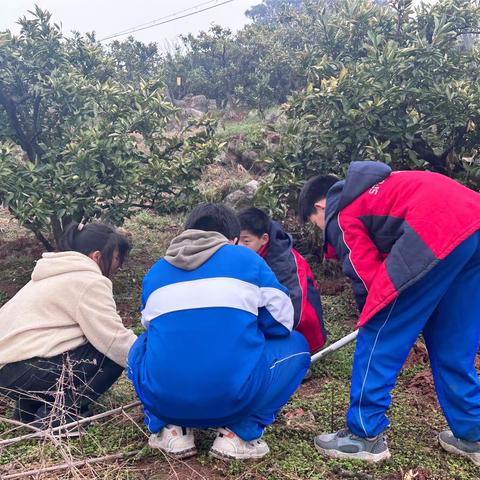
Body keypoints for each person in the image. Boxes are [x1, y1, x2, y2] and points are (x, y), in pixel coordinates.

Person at [298, 160, 480, 465]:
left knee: (379, 329)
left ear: (320, 205)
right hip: (473, 223)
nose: (320, 228)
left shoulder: (341, 211)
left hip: (435, 226)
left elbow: (365, 274)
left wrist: (371, 317)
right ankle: (473, 433)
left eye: (313, 220)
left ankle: (365, 435)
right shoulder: (375, 191)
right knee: (452, 338)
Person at [128, 203, 310, 460]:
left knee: (141, 346)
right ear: (233, 239)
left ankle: (171, 430)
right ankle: (238, 434)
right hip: (233, 398)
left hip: (165, 401)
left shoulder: (156, 272)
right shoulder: (248, 260)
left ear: (186, 232)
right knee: (297, 346)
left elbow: (153, 329)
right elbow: (282, 324)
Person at [0, 222, 137, 434]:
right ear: (97, 256)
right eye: (117, 257)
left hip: (7, 370)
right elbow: (114, 339)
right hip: (28, 369)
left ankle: (29, 412)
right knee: (106, 354)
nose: (118, 265)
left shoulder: (51, 274)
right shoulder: (89, 281)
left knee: (67, 344)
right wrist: (151, 359)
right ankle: (61, 417)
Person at [238, 207, 326, 353]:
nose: (240, 247)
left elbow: (294, 310)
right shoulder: (250, 255)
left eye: (246, 241)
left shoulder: (284, 262)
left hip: (301, 328)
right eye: (237, 240)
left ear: (264, 239)